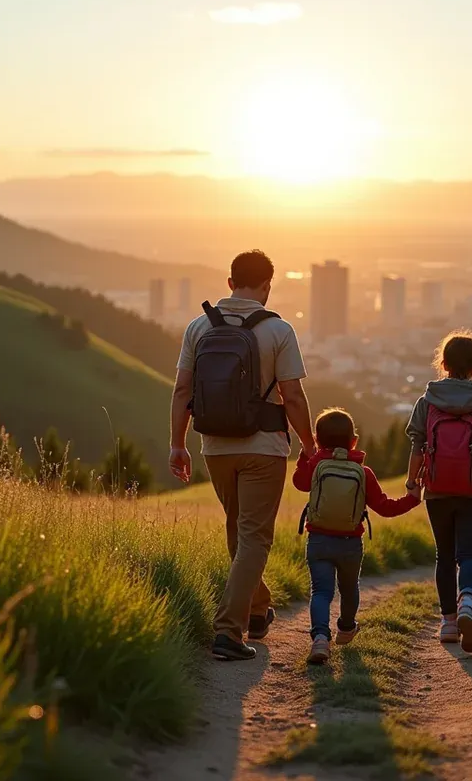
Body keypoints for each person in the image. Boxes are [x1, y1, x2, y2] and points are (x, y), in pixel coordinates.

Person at [169, 250, 315, 661]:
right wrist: (308, 444)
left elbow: (182, 391)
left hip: (214, 446)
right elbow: (294, 396)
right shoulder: (278, 330)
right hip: (264, 448)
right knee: (253, 537)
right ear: (268, 286)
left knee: (239, 531)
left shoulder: (199, 327)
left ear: (230, 282)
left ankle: (255, 607)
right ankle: (228, 633)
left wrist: (177, 445)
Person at [405, 330, 472, 653]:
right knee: (469, 555)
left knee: (445, 556)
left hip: (437, 489)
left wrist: (413, 482)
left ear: (444, 363)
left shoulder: (428, 401)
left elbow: (417, 445)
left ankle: (449, 623)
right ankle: (467, 600)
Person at [292, 408, 421, 664]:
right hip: (351, 543)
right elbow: (384, 507)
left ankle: (320, 638)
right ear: (354, 441)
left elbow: (299, 483)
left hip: (318, 540)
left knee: (320, 591)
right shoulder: (364, 472)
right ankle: (347, 627)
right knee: (349, 589)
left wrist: (303, 458)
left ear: (318, 440)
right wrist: (412, 499)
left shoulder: (316, 464)